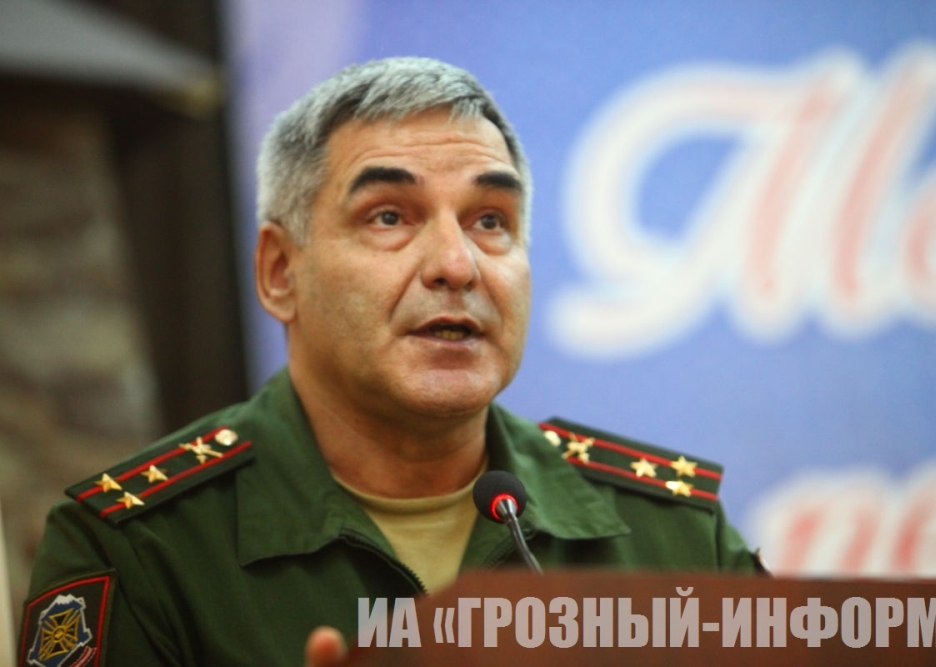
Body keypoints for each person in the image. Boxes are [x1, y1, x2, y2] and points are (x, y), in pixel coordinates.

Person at [21, 57, 763, 667]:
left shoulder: (672, 533)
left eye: (490, 221)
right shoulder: (136, 547)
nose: (456, 265)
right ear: (280, 272)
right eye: (388, 217)